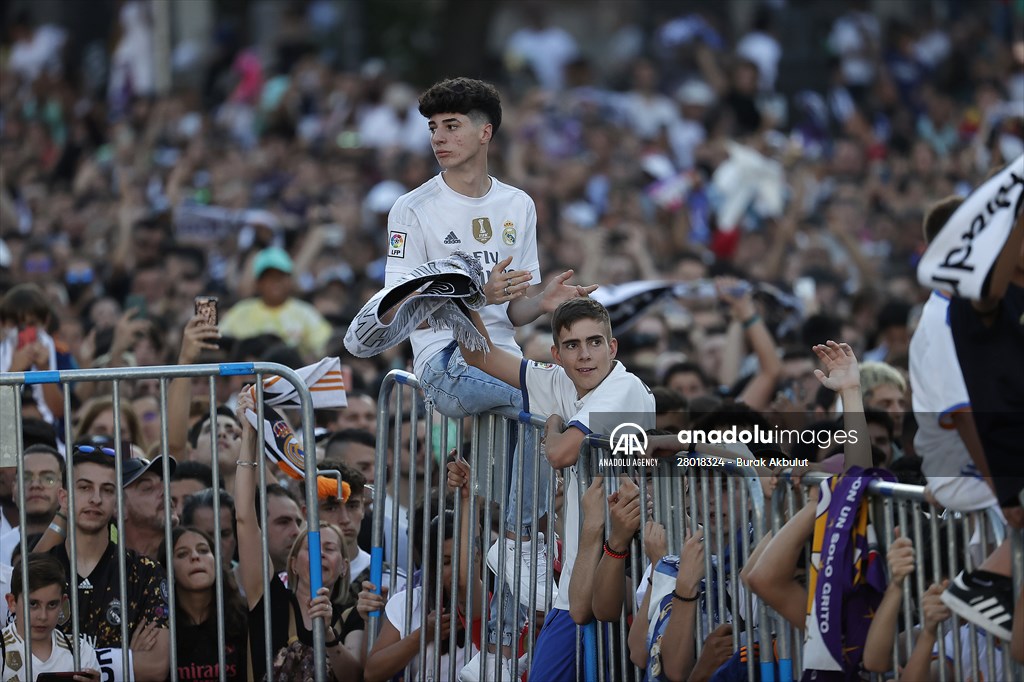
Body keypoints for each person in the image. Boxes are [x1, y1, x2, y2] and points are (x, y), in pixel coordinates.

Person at [384, 76, 594, 671]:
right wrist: (478, 293)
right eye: (432, 127)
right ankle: (522, 542)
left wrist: (543, 303)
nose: (438, 138)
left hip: (503, 358)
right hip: (447, 361)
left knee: (551, 410)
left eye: (450, 126)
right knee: (540, 404)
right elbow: (398, 305)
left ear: (485, 131)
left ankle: (499, 650)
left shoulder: (518, 205)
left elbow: (514, 310)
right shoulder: (413, 207)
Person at [457, 297, 655, 680]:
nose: (585, 355)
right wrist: (468, 295)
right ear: (557, 353)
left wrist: (551, 426)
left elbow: (561, 452)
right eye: (572, 345)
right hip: (579, 582)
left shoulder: (623, 387)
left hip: (624, 577)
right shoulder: (563, 379)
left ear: (612, 347)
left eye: (595, 342)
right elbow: (480, 357)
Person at [234, 389, 363, 681]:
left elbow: (356, 677)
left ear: (344, 565)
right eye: (310, 546)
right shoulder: (269, 599)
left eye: (330, 548)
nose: (319, 552)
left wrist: (328, 635)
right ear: (292, 562)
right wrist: (249, 437)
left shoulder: (350, 615)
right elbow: (244, 517)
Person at [35, 445, 170, 682]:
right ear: (64, 498)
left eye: (107, 490)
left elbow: (157, 666)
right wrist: (124, 659)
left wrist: (57, 664)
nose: (95, 499)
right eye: (85, 487)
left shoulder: (146, 572)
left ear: (118, 502)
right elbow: (20, 659)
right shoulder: (38, 571)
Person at [160, 526, 247, 681]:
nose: (195, 557)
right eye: (182, 554)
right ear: (168, 569)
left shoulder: (243, 616)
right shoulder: (158, 626)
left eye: (203, 550)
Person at [219, 247, 332, 359]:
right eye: (269, 277)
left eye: (280, 276)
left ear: (289, 280)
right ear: (258, 283)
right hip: (248, 376)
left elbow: (325, 347)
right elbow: (220, 342)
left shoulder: (306, 313)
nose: (275, 282)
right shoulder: (240, 312)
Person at [2, 554, 100, 682]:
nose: (43, 616)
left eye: (52, 604)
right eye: (33, 604)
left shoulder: (81, 651)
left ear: (63, 603)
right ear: (12, 602)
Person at [122, 455, 177, 559]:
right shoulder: (109, 570)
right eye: (147, 488)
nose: (165, 492)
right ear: (118, 508)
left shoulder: (189, 561)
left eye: (163, 483)